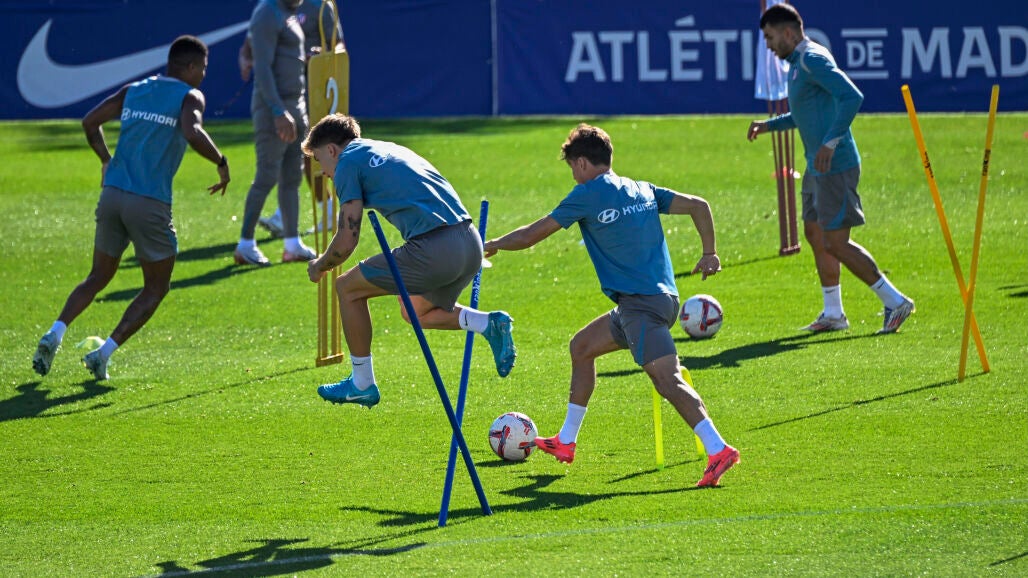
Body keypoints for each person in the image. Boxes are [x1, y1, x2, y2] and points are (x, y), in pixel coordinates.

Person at [484, 124, 739, 488]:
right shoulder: (642, 189)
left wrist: (492, 243)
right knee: (582, 347)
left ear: (582, 163)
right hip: (654, 301)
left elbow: (531, 235)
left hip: (641, 307)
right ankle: (566, 441)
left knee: (668, 380)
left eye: (573, 167)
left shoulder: (586, 194)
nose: (574, 175)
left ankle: (718, 449)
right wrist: (709, 253)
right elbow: (699, 206)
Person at [31, 35, 230, 381]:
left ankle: (55, 332)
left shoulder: (135, 89)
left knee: (98, 276)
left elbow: (90, 122)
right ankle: (102, 355)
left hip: (112, 194)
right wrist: (221, 161)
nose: (203, 75)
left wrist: (106, 159)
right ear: (190, 67)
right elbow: (192, 131)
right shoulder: (190, 96)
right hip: (148, 202)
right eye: (203, 68)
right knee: (156, 287)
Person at [301, 113, 516, 407]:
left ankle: (362, 383)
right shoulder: (387, 148)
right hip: (470, 242)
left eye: (319, 161)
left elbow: (347, 240)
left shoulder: (347, 163)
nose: (323, 172)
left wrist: (319, 265)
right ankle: (489, 323)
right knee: (416, 311)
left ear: (331, 150)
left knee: (346, 288)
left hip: (436, 248)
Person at [747, 3, 914, 334]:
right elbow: (806, 113)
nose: (768, 45)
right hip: (816, 167)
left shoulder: (812, 59)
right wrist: (769, 125)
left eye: (769, 38)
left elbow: (852, 96)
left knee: (836, 242)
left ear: (788, 33)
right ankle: (834, 313)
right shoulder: (797, 63)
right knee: (814, 234)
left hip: (834, 165)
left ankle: (895, 302)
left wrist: (830, 142)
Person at [238, 0, 345, 238]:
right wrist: (245, 57)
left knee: (310, 152)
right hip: (282, 91)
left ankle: (323, 210)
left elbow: (338, 46)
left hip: (313, 89)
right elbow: (250, 42)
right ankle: (286, 219)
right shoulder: (272, 7)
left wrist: (322, 57)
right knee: (286, 157)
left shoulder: (320, 6)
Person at [233, 0, 318, 266]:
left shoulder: (287, 12)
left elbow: (287, 59)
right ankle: (245, 244)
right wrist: (277, 111)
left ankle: (292, 244)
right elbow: (262, 67)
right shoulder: (267, 13)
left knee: (292, 176)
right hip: (276, 108)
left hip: (296, 104)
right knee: (267, 175)